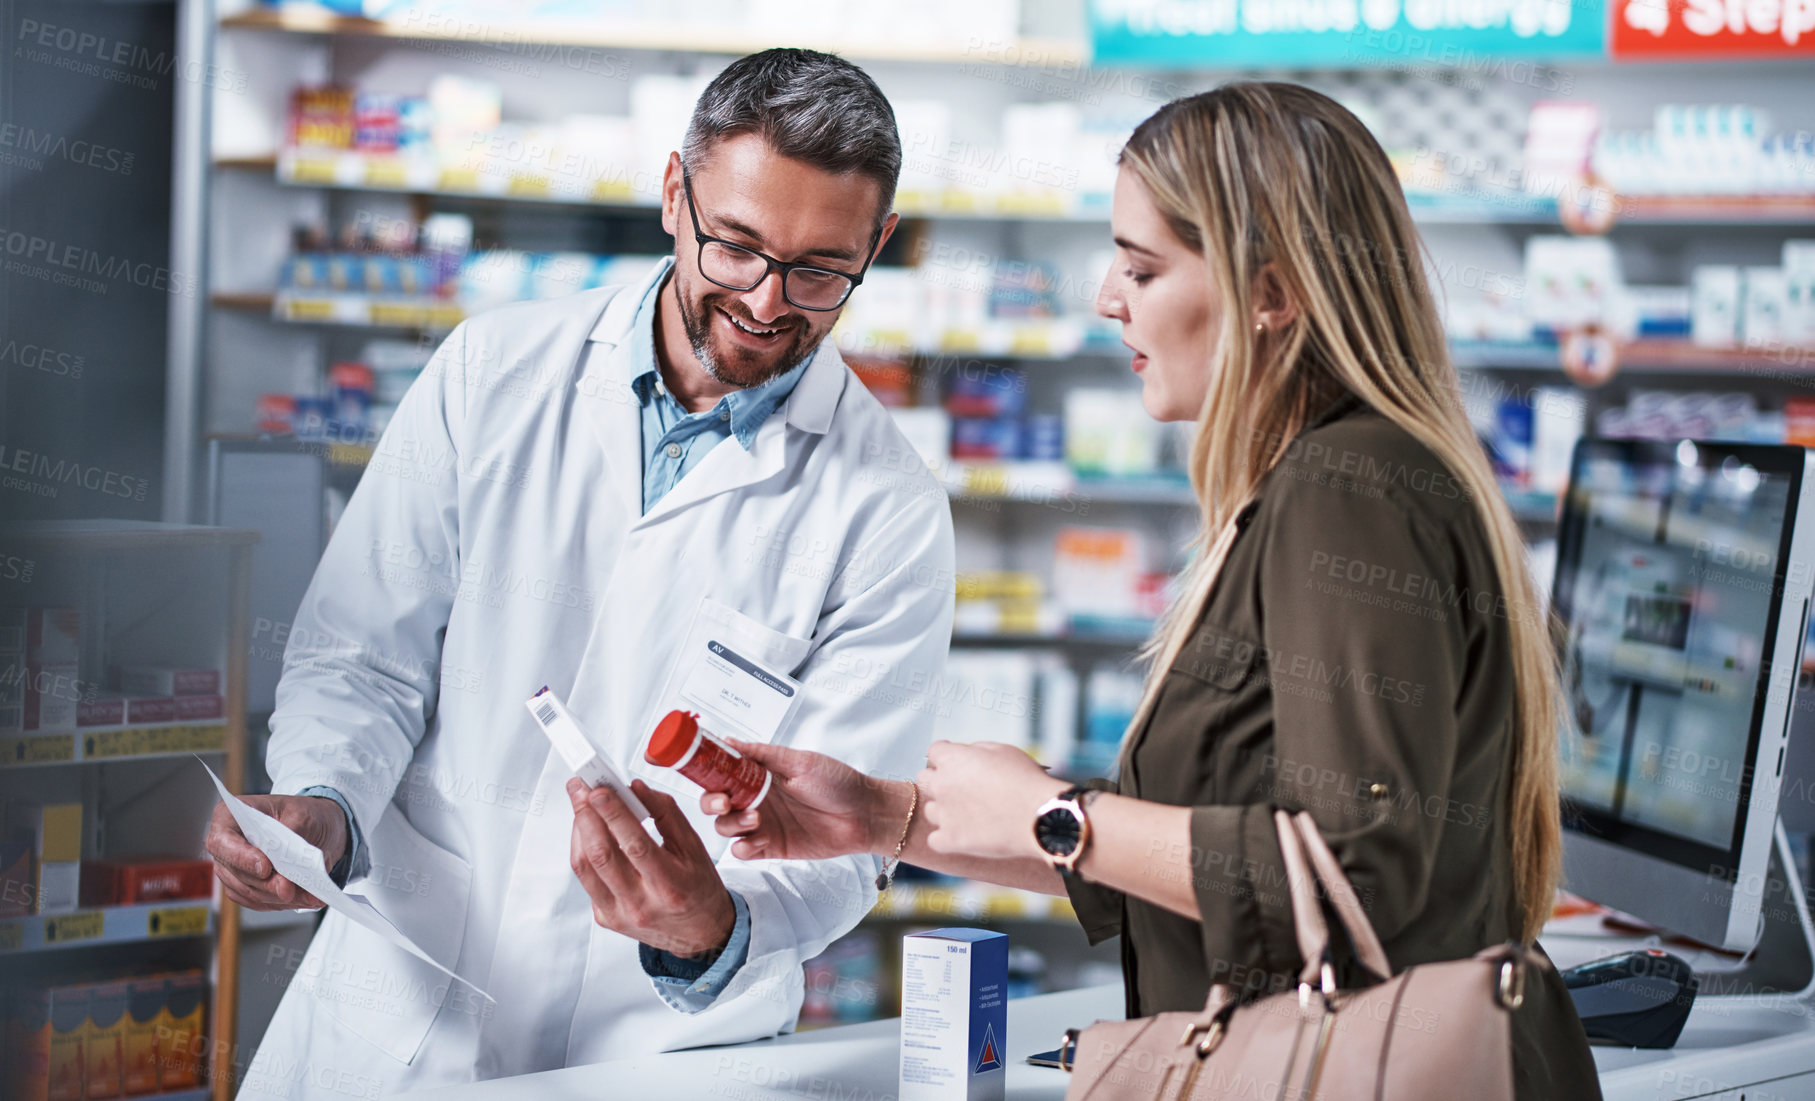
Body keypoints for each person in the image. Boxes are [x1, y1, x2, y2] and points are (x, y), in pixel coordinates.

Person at [704, 82, 1603, 1099]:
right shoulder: (1317, 482)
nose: (1107, 296)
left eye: (1142, 266)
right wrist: (884, 816)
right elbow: (1227, 875)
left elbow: (1357, 881)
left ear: (1272, 291)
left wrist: (1059, 813)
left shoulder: (1348, 492)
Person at [203, 49, 955, 1096]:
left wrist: (712, 930)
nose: (766, 302)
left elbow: (848, 839)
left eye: (820, 269)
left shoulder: (891, 510)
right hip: (403, 1018)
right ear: (672, 193)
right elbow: (361, 659)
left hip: (661, 1053)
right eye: (734, 245)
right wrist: (325, 806)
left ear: (878, 245)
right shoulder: (489, 372)